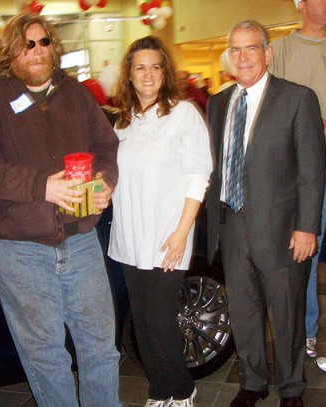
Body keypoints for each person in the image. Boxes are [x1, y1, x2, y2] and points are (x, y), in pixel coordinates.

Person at [0, 13, 121, 407]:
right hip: (19, 248)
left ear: (54, 47)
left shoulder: (76, 94)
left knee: (101, 346)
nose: (37, 51)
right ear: (9, 51)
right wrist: (42, 185)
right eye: (26, 44)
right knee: (46, 354)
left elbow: (106, 147)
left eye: (44, 42)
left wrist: (104, 182)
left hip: (80, 240)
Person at [206, 20, 326, 407]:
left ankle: (291, 387)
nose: (242, 57)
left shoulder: (297, 99)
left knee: (287, 313)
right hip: (233, 227)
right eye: (235, 50)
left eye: (251, 48)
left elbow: (312, 171)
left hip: (282, 231)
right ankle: (253, 382)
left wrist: (307, 227)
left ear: (267, 53)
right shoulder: (219, 102)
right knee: (244, 312)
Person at [108, 36, 212, 407]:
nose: (148, 74)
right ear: (130, 75)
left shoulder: (183, 114)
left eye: (155, 66)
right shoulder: (124, 120)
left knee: (161, 321)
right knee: (142, 320)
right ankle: (159, 389)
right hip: (130, 238)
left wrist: (183, 233)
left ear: (165, 72)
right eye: (140, 67)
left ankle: (182, 389)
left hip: (169, 235)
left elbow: (198, 177)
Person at [269, 0, 326, 366]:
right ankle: (306, 334)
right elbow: (265, 104)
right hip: (302, 171)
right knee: (303, 256)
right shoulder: (279, 51)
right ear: (302, 5)